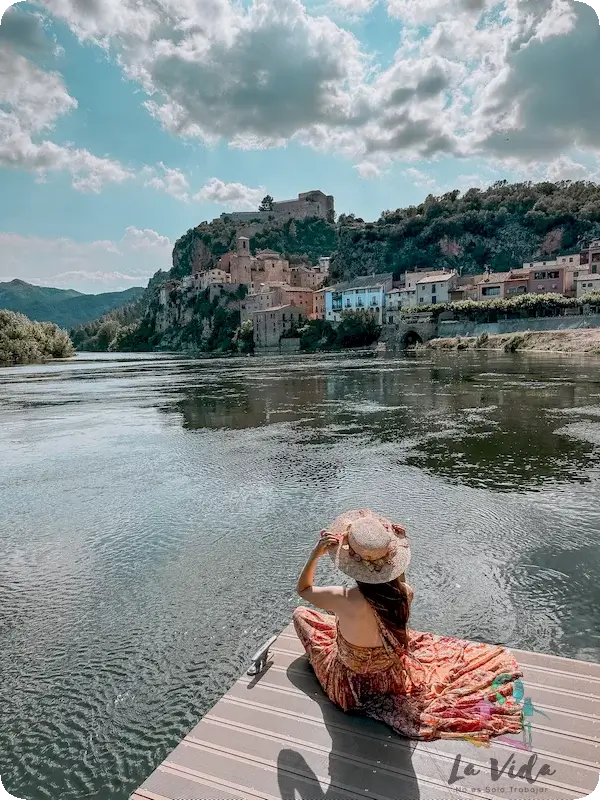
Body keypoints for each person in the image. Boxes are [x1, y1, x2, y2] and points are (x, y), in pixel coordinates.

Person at [293, 508, 524, 742]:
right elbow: (395, 581)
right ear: (391, 561)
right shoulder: (404, 594)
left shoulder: (343, 599)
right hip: (392, 678)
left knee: (302, 614)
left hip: (352, 688)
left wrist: (316, 553)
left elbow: (303, 589)